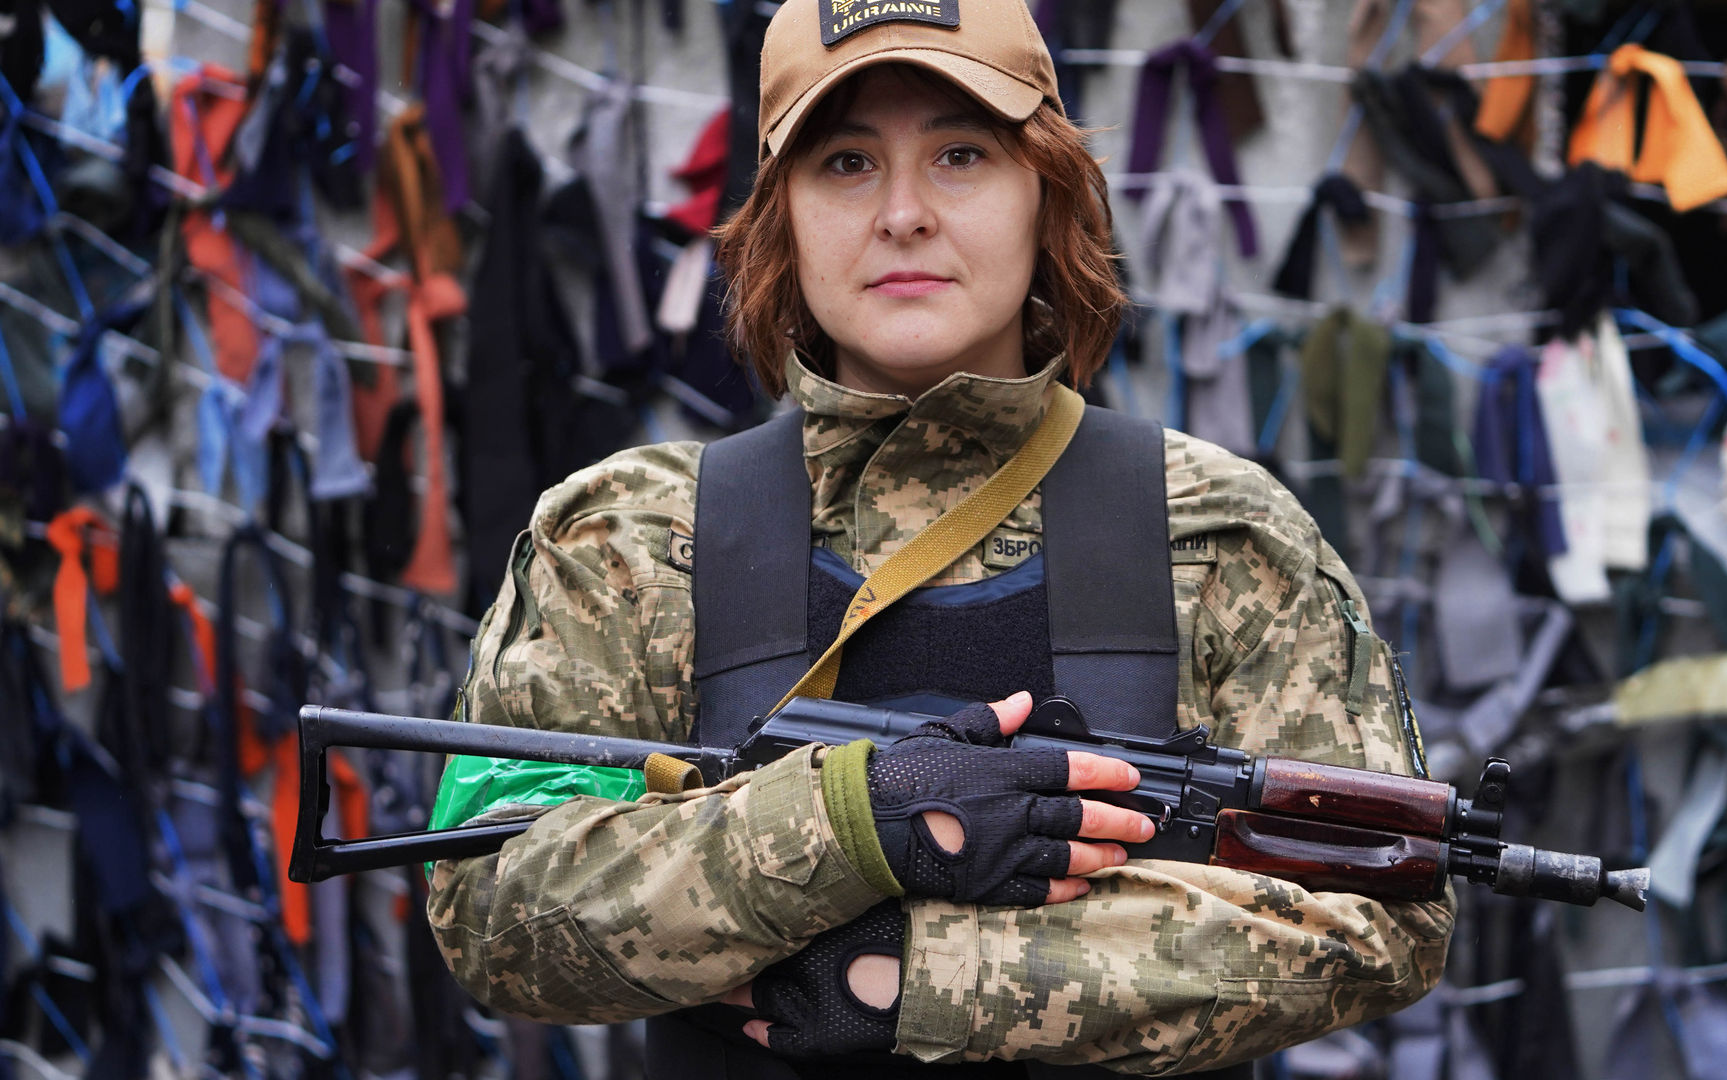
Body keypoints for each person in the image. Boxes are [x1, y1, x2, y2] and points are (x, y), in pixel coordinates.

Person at [426, 1, 1454, 1076]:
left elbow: (1385, 909)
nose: (904, 214)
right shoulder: (632, 541)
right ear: (781, 217)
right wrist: (846, 821)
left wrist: (917, 980)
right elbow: (488, 904)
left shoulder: (1220, 534)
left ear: (1046, 193)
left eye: (961, 155)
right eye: (846, 163)